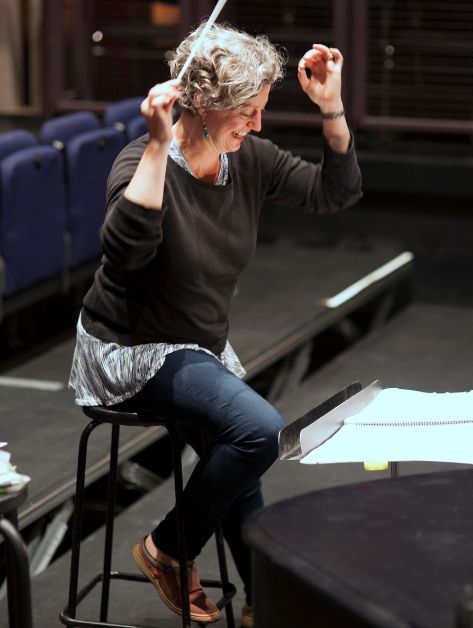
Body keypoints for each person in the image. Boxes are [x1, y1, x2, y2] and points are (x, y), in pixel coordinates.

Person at [67, 22, 362, 625]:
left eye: (261, 112)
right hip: (130, 348)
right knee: (258, 430)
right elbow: (125, 252)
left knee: (240, 458)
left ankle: (264, 604)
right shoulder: (139, 163)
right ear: (202, 107)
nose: (257, 126)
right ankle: (168, 549)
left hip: (198, 347)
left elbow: (336, 192)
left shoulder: (246, 159)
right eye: (246, 113)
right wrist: (154, 147)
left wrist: (331, 107)